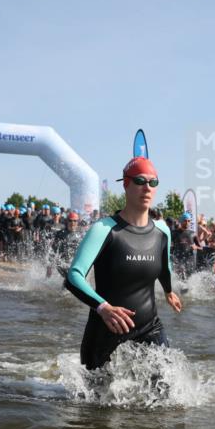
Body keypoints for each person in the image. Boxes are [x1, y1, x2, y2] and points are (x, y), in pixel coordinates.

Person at [64, 157, 182, 371]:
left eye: (153, 182)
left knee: (167, 394)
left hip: (149, 328)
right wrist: (103, 308)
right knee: (97, 403)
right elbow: (73, 276)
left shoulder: (162, 231)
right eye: (140, 181)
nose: (147, 188)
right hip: (107, 329)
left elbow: (165, 267)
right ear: (126, 184)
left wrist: (168, 291)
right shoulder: (104, 229)